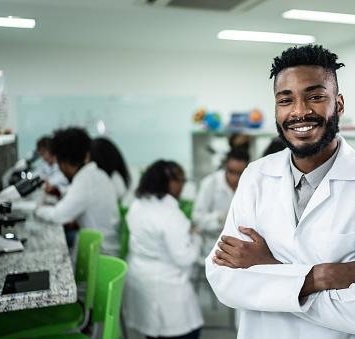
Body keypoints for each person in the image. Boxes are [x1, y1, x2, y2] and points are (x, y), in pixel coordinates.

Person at [205, 45, 355, 339]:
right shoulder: (256, 175)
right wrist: (319, 276)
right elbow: (223, 279)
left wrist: (268, 269)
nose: (299, 111)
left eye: (315, 96)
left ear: (338, 104)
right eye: (286, 100)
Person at [123, 160, 203, 339]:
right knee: (186, 332)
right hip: (167, 286)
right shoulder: (170, 215)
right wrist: (196, 236)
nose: (182, 185)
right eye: (181, 180)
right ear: (169, 182)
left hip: (140, 276)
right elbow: (185, 257)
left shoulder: (137, 205)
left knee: (153, 332)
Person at [35, 127, 120, 256]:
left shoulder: (84, 180)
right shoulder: (96, 173)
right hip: (108, 246)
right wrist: (59, 193)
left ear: (63, 162)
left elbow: (59, 215)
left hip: (100, 254)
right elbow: (75, 196)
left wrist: (38, 210)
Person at [192, 147, 250, 233]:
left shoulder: (250, 184)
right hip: (212, 241)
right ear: (225, 165)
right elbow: (197, 218)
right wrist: (221, 218)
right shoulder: (210, 183)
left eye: (240, 173)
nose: (235, 178)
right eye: (231, 171)